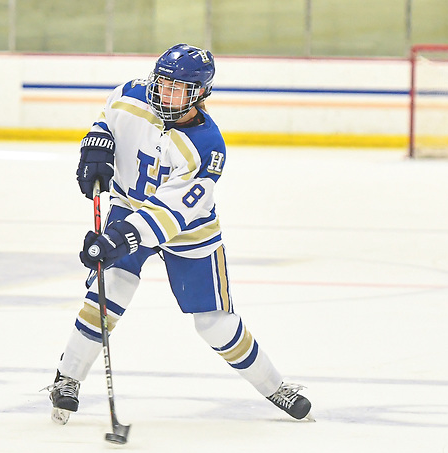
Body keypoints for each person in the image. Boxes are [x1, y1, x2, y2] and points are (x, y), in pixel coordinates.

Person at [44, 43, 312, 425]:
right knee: (110, 290)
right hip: (128, 205)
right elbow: (108, 120)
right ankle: (66, 379)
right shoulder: (131, 94)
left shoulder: (207, 147)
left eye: (177, 88)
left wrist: (118, 238)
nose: (165, 93)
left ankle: (276, 387)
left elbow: (171, 214)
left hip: (188, 229)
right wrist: (98, 142)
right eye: (162, 83)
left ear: (200, 94)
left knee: (214, 324)